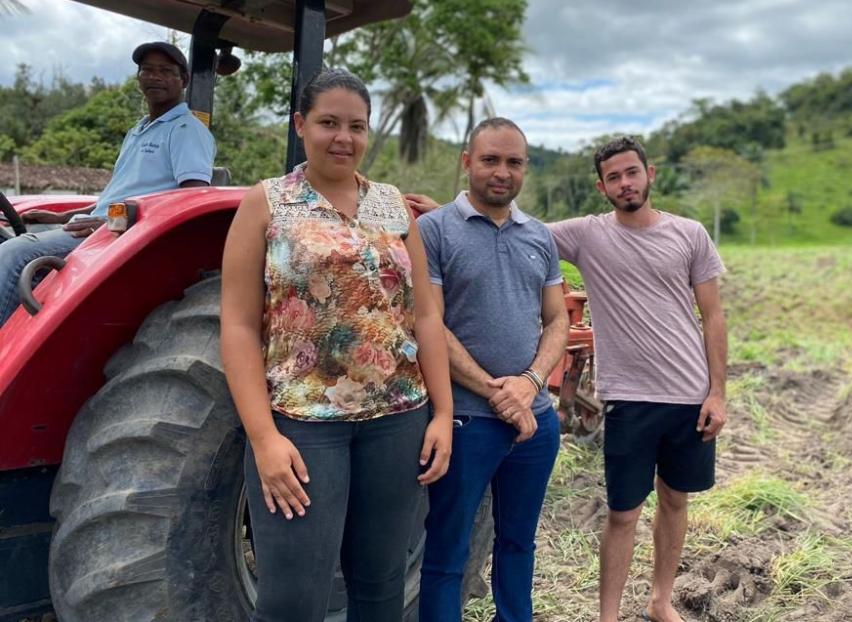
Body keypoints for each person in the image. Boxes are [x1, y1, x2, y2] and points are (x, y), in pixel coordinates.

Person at [219, 68, 453, 622]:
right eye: (328, 122)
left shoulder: (392, 206)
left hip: (397, 423)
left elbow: (424, 313)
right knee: (292, 598)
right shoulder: (268, 203)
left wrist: (442, 414)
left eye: (356, 126)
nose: (343, 137)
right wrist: (263, 438)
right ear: (301, 125)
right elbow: (238, 326)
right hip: (302, 427)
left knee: (379, 586)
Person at [548, 136, 728, 622]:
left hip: (689, 396)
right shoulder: (586, 235)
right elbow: (517, 230)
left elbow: (712, 316)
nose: (624, 183)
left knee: (675, 499)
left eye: (632, 172)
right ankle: (608, 615)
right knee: (623, 512)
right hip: (629, 399)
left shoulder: (689, 234)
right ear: (601, 186)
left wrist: (717, 392)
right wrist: (449, 212)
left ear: (651, 174)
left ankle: (659, 601)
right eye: (613, 177)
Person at [416, 117, 569, 622]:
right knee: (447, 555)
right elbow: (430, 324)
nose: (501, 172)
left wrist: (527, 386)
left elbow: (556, 320)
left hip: (536, 423)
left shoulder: (540, 237)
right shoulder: (433, 231)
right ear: (467, 163)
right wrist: (494, 393)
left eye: (514, 162)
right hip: (465, 421)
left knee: (518, 544)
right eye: (490, 160)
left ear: (525, 169)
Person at [0, 41, 216, 324]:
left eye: (165, 71)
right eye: (147, 70)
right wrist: (62, 215)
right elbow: (123, 194)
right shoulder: (139, 130)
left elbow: (191, 198)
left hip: (122, 235)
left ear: (183, 80)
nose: (155, 77)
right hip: (104, 224)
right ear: (139, 78)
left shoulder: (186, 130)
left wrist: (112, 224)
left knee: (14, 252)